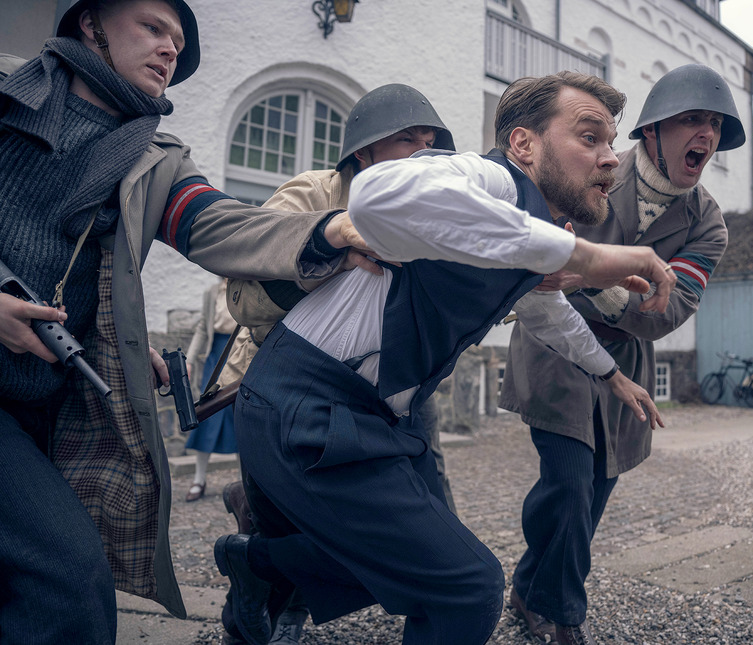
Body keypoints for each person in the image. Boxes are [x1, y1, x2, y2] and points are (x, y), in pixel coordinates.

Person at [214, 70, 675, 645]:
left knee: (420, 561)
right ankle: (264, 566)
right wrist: (586, 253)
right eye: (589, 138)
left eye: (611, 143)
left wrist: (613, 376)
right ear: (524, 144)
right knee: (467, 586)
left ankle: (256, 564)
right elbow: (378, 193)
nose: (611, 159)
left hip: (373, 411)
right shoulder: (489, 178)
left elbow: (547, 312)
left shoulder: (516, 230)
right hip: (306, 402)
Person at [0, 1, 365, 642]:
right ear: (90, 24)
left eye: (178, 39)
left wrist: (329, 230)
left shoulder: (156, 157)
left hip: (53, 402)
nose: (171, 49)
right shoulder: (7, 89)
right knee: (70, 580)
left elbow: (222, 225)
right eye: (153, 28)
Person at [499, 63, 745, 644]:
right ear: (653, 130)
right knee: (567, 482)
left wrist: (589, 276)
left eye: (713, 125)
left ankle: (528, 587)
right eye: (690, 120)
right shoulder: (595, 163)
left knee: (595, 491)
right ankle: (563, 615)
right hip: (553, 343)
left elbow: (667, 311)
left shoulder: (708, 224)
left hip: (626, 361)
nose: (704, 136)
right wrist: (599, 277)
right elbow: (540, 254)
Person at [217, 82, 460, 645]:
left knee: (430, 529)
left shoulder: (433, 209)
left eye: (431, 143)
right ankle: (258, 606)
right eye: (407, 140)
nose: (423, 154)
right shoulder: (311, 195)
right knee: (289, 516)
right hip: (290, 388)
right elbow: (242, 298)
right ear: (363, 152)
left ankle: (260, 556)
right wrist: (332, 253)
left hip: (393, 391)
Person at [183, 278, 238, 502]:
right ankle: (199, 479)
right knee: (206, 413)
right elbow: (203, 328)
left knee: (241, 415)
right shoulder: (212, 291)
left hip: (240, 353)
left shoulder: (249, 285)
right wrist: (189, 358)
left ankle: (248, 482)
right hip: (215, 355)